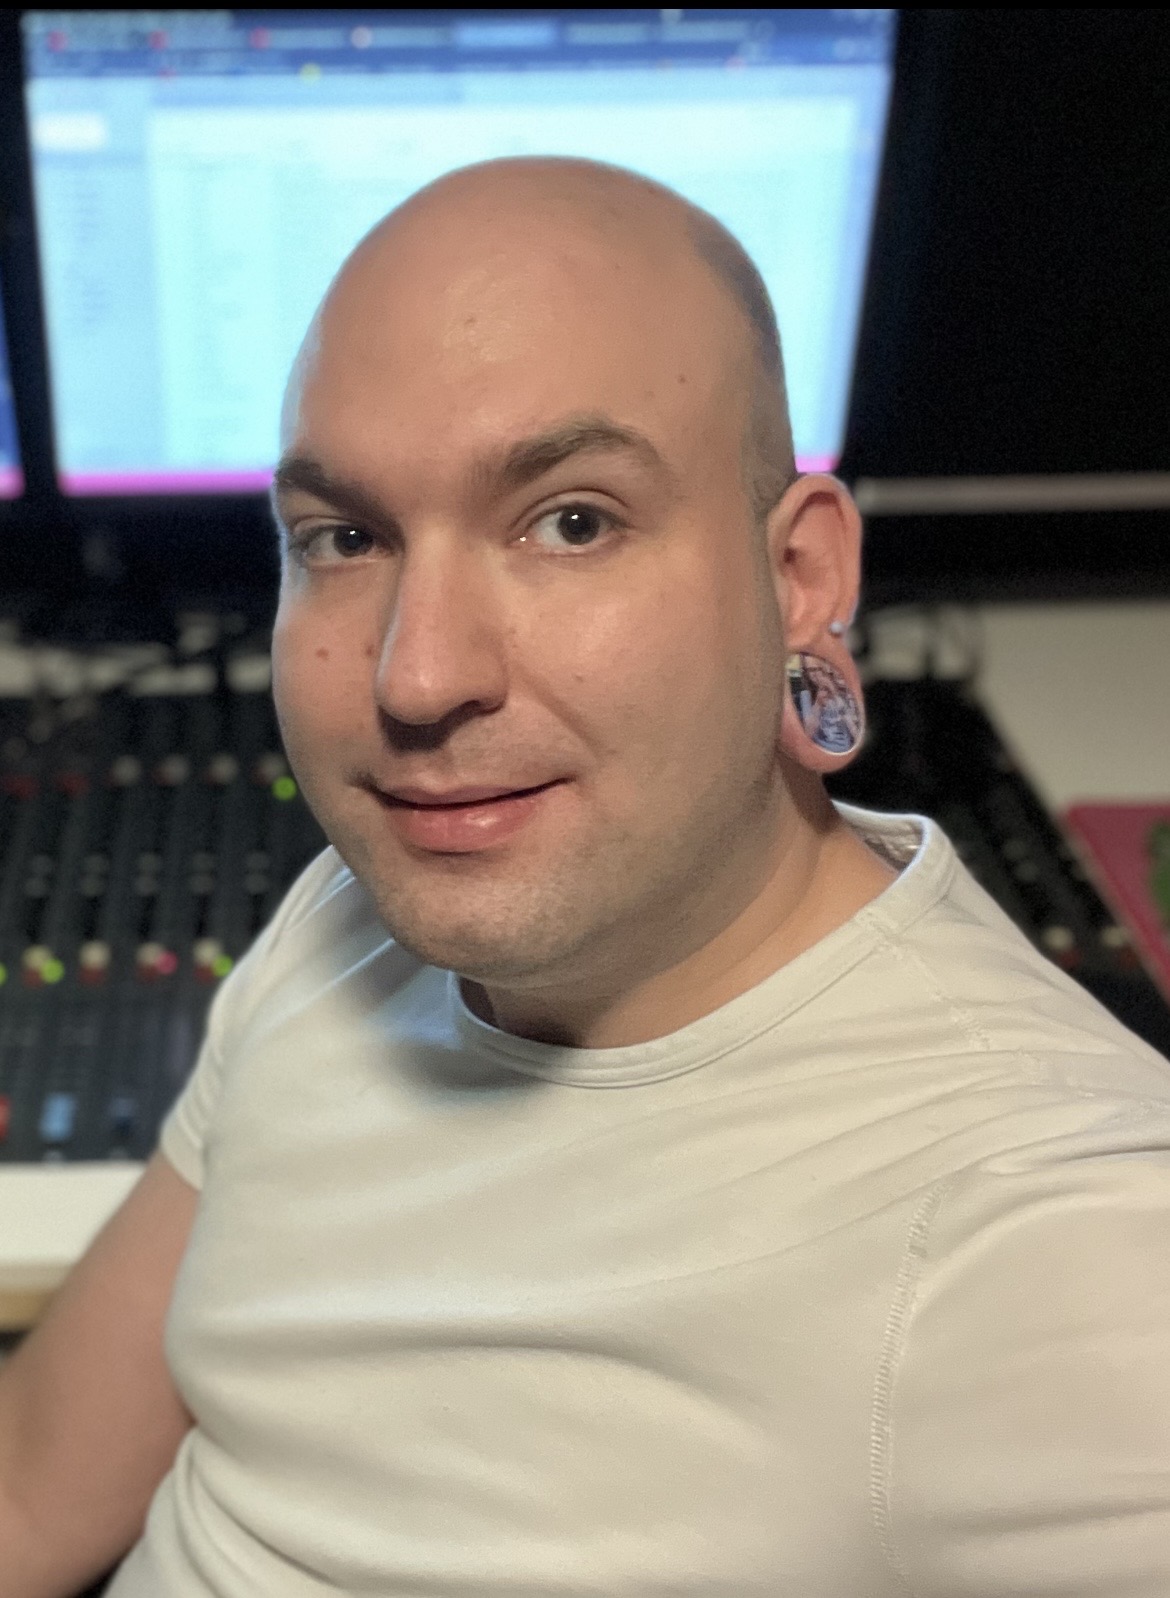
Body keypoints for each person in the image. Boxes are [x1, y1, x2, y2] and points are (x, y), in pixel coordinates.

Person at [2, 156, 1169, 1598]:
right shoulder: (347, 925)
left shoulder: (1052, 1243)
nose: (415, 678)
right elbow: (33, 1483)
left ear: (800, 578)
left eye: (571, 520)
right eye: (345, 538)